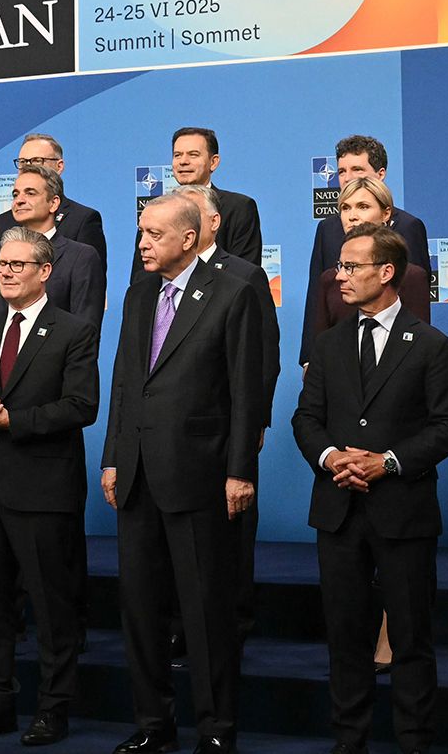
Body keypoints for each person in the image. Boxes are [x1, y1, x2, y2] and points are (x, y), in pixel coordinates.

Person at [294, 223, 448, 754]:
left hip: (403, 510)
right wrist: (331, 459)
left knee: (411, 639)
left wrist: (387, 463)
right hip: (338, 508)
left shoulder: (432, 345)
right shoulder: (327, 344)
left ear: (386, 272)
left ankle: (414, 741)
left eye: (350, 267)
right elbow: (307, 419)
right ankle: (350, 741)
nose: (338, 277)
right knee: (346, 638)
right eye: (338, 267)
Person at [102, 196, 261, 754]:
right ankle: (153, 724)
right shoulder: (137, 293)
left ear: (189, 238)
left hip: (202, 475)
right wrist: (113, 457)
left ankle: (216, 731)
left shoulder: (237, 288)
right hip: (138, 476)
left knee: (205, 611)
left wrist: (240, 470)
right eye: (140, 231)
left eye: (152, 234)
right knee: (141, 609)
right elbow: (125, 382)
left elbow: (248, 390)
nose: (141, 242)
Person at [0, 228, 98, 747]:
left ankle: (53, 710)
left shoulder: (72, 331)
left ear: (45, 272)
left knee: (52, 610)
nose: (5, 271)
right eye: (1, 264)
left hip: (42, 489)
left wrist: (13, 418)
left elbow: (81, 406)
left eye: (17, 264)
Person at [175, 184, 280, 643]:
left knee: (231, 527)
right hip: (175, 432)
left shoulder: (244, 275)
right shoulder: (154, 280)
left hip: (227, 426)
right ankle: (184, 622)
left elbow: (263, 354)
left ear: (212, 222)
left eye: (191, 213)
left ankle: (233, 619)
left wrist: (255, 419)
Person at [301, 137, 431, 368]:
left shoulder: (409, 227)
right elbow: (316, 297)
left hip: (393, 354)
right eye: (342, 171)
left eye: (357, 170)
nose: (348, 178)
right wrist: (309, 357)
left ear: (380, 174)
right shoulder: (328, 228)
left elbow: (416, 295)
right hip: (340, 350)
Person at [0, 165, 105, 330]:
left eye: (30, 193)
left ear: (53, 203)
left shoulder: (80, 257)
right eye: (15, 194)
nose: (19, 200)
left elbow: (86, 329)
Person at [129, 127, 261, 279]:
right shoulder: (155, 210)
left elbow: (244, 273)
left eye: (193, 155)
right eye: (177, 155)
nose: (183, 161)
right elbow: (140, 277)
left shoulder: (239, 207)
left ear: (214, 162)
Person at [0, 133, 109, 277]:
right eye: (23, 162)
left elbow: (92, 281)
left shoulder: (83, 219)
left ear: (59, 166)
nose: (28, 168)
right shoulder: (4, 222)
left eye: (37, 161)